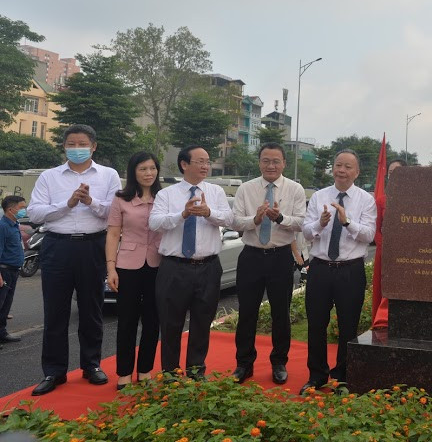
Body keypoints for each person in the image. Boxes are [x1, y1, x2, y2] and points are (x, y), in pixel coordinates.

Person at [27, 124, 122, 396]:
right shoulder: (49, 177)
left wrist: (90, 201)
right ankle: (54, 371)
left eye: (82, 143)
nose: (76, 148)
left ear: (94, 146)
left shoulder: (108, 175)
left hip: (93, 246)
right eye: (71, 143)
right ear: (64, 146)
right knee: (55, 311)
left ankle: (91, 365)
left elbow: (113, 213)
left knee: (92, 308)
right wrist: (67, 204)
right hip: (57, 246)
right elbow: (34, 214)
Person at [149, 145, 233, 378]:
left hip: (208, 267)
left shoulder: (215, 192)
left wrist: (208, 213)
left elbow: (229, 218)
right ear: (184, 164)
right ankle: (170, 374)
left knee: (201, 322)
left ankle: (196, 371)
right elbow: (154, 223)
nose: (206, 166)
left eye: (208, 162)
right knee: (170, 323)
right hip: (175, 268)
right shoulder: (167, 194)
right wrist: (182, 214)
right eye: (200, 162)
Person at [299, 149, 376, 394]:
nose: (341, 170)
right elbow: (306, 232)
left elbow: (369, 235)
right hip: (320, 269)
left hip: (350, 271)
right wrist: (320, 223)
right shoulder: (319, 196)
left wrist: (346, 221)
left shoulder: (366, 200)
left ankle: (343, 377)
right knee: (316, 324)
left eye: (347, 167)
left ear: (357, 172)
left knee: (348, 326)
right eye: (338, 165)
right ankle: (317, 376)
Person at [231, 143, 306, 385]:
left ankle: (279, 362)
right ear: (259, 162)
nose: (270, 165)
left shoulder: (295, 189)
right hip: (251, 256)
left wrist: (280, 217)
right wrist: (256, 218)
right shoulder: (246, 188)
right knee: (247, 313)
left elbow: (302, 222)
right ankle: (244, 363)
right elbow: (235, 222)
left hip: (280, 257)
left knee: (280, 313)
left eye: (275, 161)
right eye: (266, 160)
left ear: (284, 163)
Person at [105, 152, 163, 389]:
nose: (148, 173)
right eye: (142, 169)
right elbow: (112, 233)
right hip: (127, 265)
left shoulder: (164, 197)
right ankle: (124, 373)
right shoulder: (121, 198)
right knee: (127, 320)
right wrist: (111, 268)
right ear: (133, 172)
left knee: (153, 320)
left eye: (152, 168)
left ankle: (145, 370)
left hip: (158, 264)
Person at [371, 158, 407, 329]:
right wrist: (386, 247)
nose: (393, 176)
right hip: (385, 252)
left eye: (397, 173)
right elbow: (376, 230)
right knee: (381, 289)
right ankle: (380, 324)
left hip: (407, 252)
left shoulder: (414, 200)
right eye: (390, 173)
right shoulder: (381, 201)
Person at [0, 196, 28, 344]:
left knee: (6, 304)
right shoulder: (2, 226)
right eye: (22, 208)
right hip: (4, 271)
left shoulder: (14, 224)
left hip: (13, 271)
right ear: (11, 209)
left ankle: (2, 333)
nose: (24, 210)